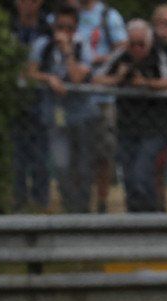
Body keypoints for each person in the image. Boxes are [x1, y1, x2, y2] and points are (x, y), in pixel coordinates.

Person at [95, 19, 167, 212]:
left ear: (149, 43)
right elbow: (97, 77)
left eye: (141, 44)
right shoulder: (122, 55)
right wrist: (118, 78)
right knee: (129, 179)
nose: (137, 49)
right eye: (133, 44)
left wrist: (146, 84)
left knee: (142, 173)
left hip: (154, 128)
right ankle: (135, 218)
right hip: (127, 126)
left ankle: (152, 215)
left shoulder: (158, 55)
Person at [27, 5, 97, 214]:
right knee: (61, 165)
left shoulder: (82, 46)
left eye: (68, 28)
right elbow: (29, 73)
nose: (63, 32)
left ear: (75, 29)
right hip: (55, 115)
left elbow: (77, 77)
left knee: (83, 168)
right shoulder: (43, 45)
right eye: (60, 26)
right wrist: (49, 78)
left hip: (82, 114)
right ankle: (71, 206)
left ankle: (83, 209)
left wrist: (67, 53)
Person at [75, 0, 128, 213]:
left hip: (103, 99)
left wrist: (103, 63)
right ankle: (80, 200)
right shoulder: (70, 15)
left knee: (103, 155)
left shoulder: (109, 16)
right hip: (76, 98)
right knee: (78, 154)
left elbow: (123, 49)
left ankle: (102, 202)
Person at [12, 0, 51, 211]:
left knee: (40, 158)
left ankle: (40, 203)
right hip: (14, 104)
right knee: (17, 158)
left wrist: (32, 73)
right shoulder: (8, 28)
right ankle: (17, 202)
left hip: (41, 102)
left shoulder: (48, 29)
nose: (27, 4)